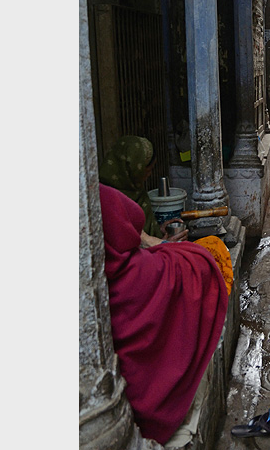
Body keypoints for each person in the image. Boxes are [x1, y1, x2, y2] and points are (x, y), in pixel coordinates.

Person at [99, 183, 231, 444]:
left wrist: (150, 241)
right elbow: (198, 267)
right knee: (205, 256)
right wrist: (156, 244)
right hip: (134, 417)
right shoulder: (139, 277)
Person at [99, 135, 189, 243]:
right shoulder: (107, 201)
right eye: (148, 170)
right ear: (135, 169)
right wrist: (164, 244)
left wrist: (159, 229)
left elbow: (142, 233)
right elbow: (130, 245)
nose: (149, 175)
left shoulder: (136, 191)